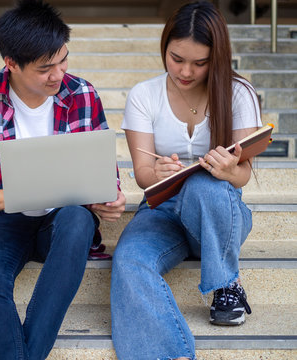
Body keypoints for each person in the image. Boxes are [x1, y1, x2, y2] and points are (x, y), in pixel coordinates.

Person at [0, 1, 126, 359]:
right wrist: (20, 195)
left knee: (76, 218)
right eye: (45, 68)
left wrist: (109, 198)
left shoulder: (82, 95)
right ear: (11, 63)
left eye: (63, 60)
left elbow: (104, 172)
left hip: (61, 222)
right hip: (1, 221)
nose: (58, 74)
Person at [110, 1, 262, 359]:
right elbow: (143, 176)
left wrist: (227, 171)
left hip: (219, 214)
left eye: (200, 62)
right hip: (162, 211)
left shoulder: (239, 94)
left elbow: (242, 175)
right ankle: (169, 353)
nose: (186, 71)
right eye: (177, 58)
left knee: (204, 185)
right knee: (130, 259)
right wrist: (157, 173)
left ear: (217, 57)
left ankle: (226, 284)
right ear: (165, 47)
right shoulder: (144, 95)